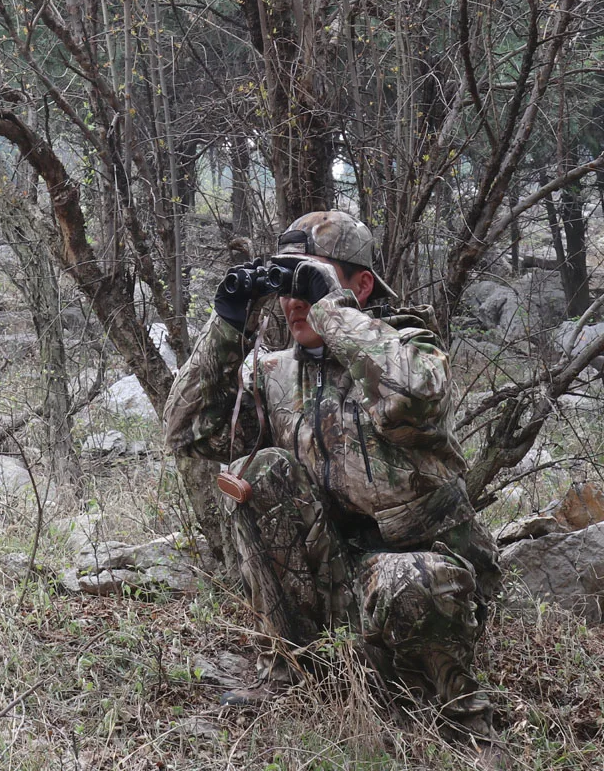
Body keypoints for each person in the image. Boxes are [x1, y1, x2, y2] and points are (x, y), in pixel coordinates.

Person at [163, 211, 500, 738]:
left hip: (419, 575)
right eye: (288, 283)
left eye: (310, 280)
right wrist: (227, 323)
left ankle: (452, 713)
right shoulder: (272, 374)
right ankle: (294, 669)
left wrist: (332, 308)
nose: (294, 299)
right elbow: (185, 431)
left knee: (408, 581)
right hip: (327, 582)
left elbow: (414, 396)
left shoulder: (412, 348)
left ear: (361, 285)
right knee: (262, 471)